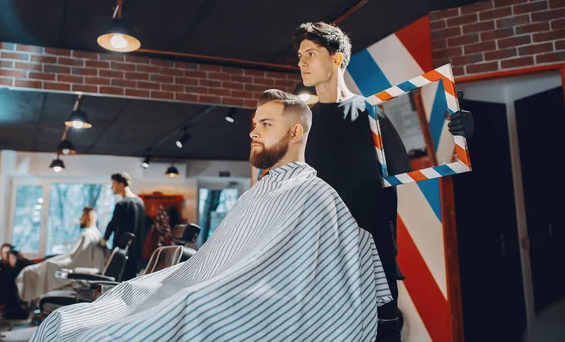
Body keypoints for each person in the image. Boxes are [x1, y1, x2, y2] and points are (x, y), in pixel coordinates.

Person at [31, 90, 391, 342]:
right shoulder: (261, 193)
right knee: (108, 303)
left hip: (230, 300)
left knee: (173, 309)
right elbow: (218, 261)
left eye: (266, 124)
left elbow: (306, 276)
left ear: (295, 132)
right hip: (200, 287)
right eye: (255, 123)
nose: (253, 131)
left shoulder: (314, 194)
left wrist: (205, 291)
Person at [294, 21, 475, 341]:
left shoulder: (371, 114)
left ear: (336, 58)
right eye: (299, 56)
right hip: (317, 263)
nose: (302, 62)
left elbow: (422, 169)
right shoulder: (303, 126)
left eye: (311, 53)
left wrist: (458, 137)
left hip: (372, 262)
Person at [15, 207, 108, 302]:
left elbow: (75, 260)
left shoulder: (87, 235)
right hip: (81, 267)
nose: (81, 219)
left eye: (83, 216)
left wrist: (53, 262)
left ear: (89, 217)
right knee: (42, 265)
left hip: (77, 269)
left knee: (45, 266)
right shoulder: (95, 234)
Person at [101, 173, 147, 281]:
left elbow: (112, 224)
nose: (112, 187)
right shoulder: (140, 202)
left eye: (114, 184)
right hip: (136, 252)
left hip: (122, 250)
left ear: (121, 184)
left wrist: (104, 239)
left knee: (119, 280)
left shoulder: (122, 204)